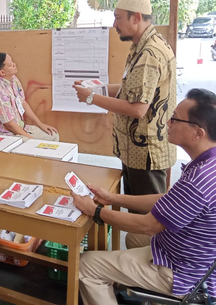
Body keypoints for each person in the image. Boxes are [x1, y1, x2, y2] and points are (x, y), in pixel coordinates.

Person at [72, 89, 216, 305]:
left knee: (86, 265)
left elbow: (148, 225)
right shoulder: (207, 163)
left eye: (175, 118)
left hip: (186, 273)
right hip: (193, 254)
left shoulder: (199, 180)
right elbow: (168, 201)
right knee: (131, 238)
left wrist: (95, 211)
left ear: (198, 133)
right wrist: (112, 198)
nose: (168, 122)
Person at [73, 0, 176, 198]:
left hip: (146, 153)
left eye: (118, 17)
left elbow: (138, 109)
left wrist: (92, 98)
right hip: (136, 151)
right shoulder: (142, 46)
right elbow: (132, 89)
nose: (114, 24)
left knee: (144, 219)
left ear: (136, 18)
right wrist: (96, 88)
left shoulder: (149, 54)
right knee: (134, 209)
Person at [0, 52, 59, 141]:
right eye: (10, 65)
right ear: (2, 72)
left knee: (53, 135)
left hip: (21, 128)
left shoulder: (13, 78)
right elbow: (9, 124)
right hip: (6, 134)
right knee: (28, 142)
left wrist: (40, 124)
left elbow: (22, 102)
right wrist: (31, 139)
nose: (14, 64)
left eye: (12, 62)